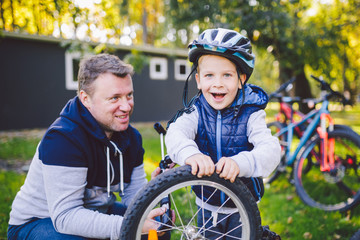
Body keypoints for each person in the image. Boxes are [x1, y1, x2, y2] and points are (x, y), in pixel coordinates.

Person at [8, 53, 165, 240]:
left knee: (157, 230)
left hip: (96, 209)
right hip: (38, 222)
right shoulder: (63, 139)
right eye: (114, 98)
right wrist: (129, 226)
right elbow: (66, 217)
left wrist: (151, 198)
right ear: (85, 99)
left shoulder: (131, 137)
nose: (126, 106)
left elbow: (134, 199)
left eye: (129, 95)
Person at [165, 28, 281, 239]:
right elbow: (175, 133)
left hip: (242, 208)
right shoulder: (196, 112)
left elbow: (271, 151)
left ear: (241, 79)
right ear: (198, 80)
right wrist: (190, 154)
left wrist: (241, 163)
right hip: (206, 207)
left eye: (227, 75)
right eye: (209, 75)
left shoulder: (251, 114)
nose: (217, 83)